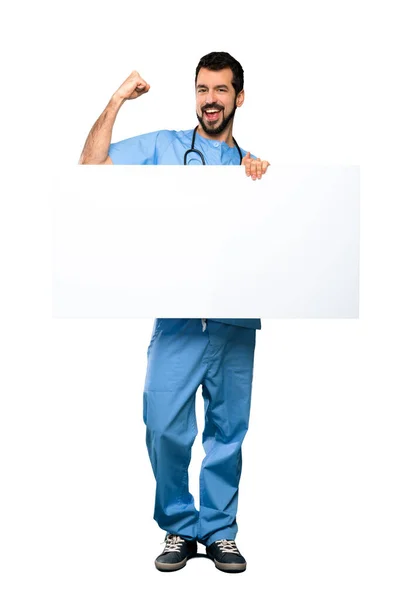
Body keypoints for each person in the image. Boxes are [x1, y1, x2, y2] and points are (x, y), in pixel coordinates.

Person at [79, 51, 269, 573]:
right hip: (177, 318)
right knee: (163, 426)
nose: (211, 99)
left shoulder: (255, 168)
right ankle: (180, 527)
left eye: (221, 90)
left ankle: (220, 530)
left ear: (239, 97)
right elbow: (91, 168)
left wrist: (267, 186)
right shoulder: (164, 147)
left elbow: (276, 245)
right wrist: (117, 100)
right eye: (203, 89)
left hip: (234, 321)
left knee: (228, 432)